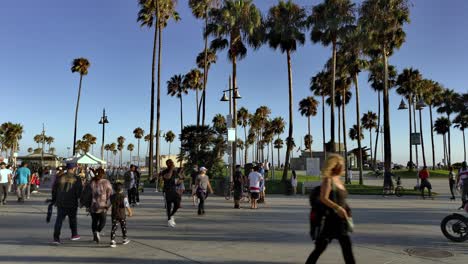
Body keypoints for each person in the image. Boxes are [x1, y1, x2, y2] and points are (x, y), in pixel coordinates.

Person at [306, 154, 355, 264]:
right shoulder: (328, 180)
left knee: (346, 248)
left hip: (341, 221)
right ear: (335, 166)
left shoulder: (338, 180)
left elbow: (341, 199)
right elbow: (324, 198)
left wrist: (346, 210)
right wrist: (338, 208)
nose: (343, 167)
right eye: (342, 165)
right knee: (320, 249)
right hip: (331, 220)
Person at [51, 162, 83, 245]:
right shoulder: (77, 178)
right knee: (72, 219)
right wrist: (80, 200)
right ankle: (74, 234)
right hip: (72, 202)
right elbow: (79, 191)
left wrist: (54, 200)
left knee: (59, 220)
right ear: (73, 168)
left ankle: (56, 238)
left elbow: (54, 189)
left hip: (60, 202)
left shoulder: (60, 177)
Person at [89, 169, 113, 243]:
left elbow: (87, 194)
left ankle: (94, 236)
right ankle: (97, 232)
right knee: (103, 221)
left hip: (93, 205)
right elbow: (110, 194)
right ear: (103, 174)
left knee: (94, 221)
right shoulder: (106, 182)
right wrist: (108, 205)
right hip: (102, 206)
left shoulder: (91, 182)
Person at [109, 182, 133, 248]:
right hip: (122, 215)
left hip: (114, 214)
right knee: (123, 226)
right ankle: (124, 239)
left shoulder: (112, 197)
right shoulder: (124, 197)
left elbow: (108, 204)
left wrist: (106, 208)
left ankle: (112, 241)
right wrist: (130, 212)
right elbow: (127, 205)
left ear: (114, 189)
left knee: (114, 227)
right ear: (122, 189)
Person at [160, 159, 181, 227]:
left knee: (177, 204)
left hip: (174, 190)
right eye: (170, 163)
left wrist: (180, 180)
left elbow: (179, 179)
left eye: (172, 163)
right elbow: (168, 177)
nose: (172, 164)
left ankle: (171, 215)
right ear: (167, 164)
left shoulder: (174, 172)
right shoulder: (164, 171)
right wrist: (171, 169)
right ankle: (169, 220)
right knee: (168, 206)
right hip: (167, 191)